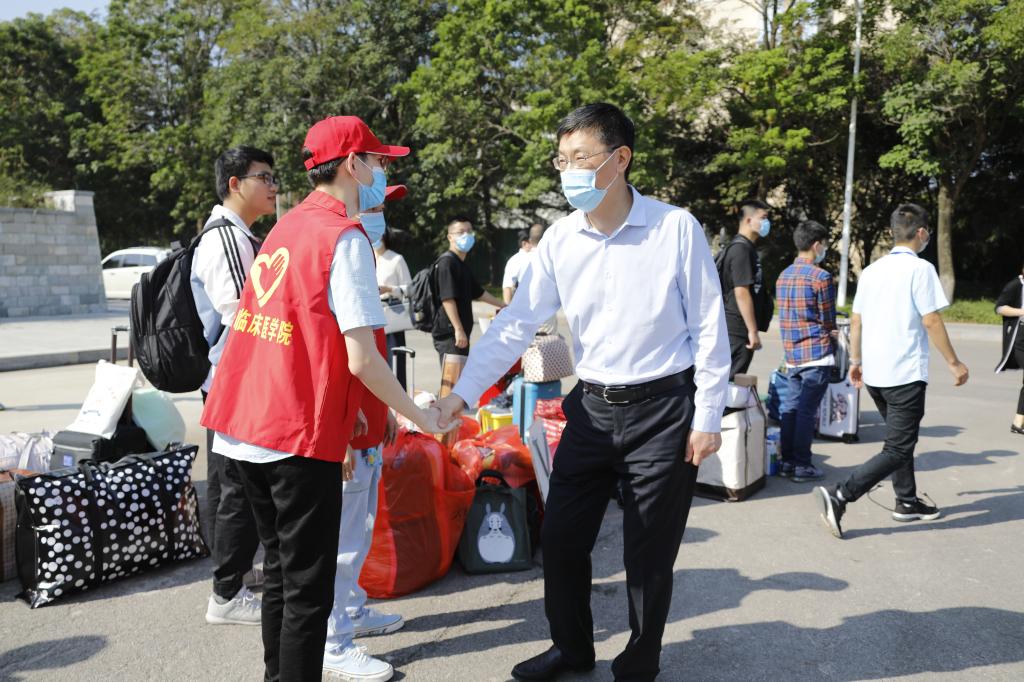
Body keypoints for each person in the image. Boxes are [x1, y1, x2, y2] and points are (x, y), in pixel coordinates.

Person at [435, 102, 731, 682]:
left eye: (581, 158)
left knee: (648, 554)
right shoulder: (561, 240)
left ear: (620, 160)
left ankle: (641, 659)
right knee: (564, 540)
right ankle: (571, 648)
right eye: (562, 159)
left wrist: (708, 414)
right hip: (592, 412)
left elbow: (709, 327)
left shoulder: (674, 227)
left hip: (664, 412)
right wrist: (462, 394)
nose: (568, 171)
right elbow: (516, 324)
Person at [201, 115, 453, 682]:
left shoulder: (286, 226)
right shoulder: (345, 238)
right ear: (351, 164)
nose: (382, 171)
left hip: (244, 426)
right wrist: (423, 417)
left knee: (283, 581)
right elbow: (362, 357)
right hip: (293, 432)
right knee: (308, 593)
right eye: (378, 160)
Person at [815, 203, 970, 539]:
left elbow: (856, 321)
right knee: (898, 447)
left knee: (901, 439)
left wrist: (855, 362)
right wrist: (954, 363)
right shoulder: (921, 269)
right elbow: (931, 319)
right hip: (905, 374)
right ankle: (841, 495)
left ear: (892, 233)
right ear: (923, 232)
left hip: (876, 374)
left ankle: (907, 501)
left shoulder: (871, 271)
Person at [322, 184, 409, 682]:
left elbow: (371, 356)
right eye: (374, 205)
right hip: (347, 436)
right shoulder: (344, 251)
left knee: (360, 527)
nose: (380, 215)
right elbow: (337, 361)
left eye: (383, 208)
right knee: (342, 541)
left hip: (368, 426)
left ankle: (352, 610)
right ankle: (334, 642)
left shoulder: (363, 262)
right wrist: (342, 434)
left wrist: (387, 412)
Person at [191, 145, 277, 626]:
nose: (272, 186)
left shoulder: (240, 235)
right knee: (236, 489)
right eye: (263, 177)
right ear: (234, 184)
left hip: (233, 381)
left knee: (237, 486)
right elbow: (243, 316)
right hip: (233, 382)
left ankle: (234, 579)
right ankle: (225, 595)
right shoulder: (226, 237)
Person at [775, 220, 836, 482]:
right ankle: (802, 465)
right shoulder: (821, 277)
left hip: (792, 355)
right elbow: (828, 318)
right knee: (806, 411)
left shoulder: (783, 275)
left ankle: (787, 461)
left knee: (790, 408)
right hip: (817, 354)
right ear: (816, 245)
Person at [432, 217, 505, 364]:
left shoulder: (461, 264)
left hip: (461, 333)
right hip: (450, 334)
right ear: (450, 237)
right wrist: (458, 330)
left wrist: (504, 305)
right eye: (460, 232)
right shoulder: (447, 263)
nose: (466, 235)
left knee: (459, 379)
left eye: (469, 231)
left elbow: (479, 293)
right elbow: (447, 299)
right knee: (452, 380)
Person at [718, 198, 773, 379]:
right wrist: (752, 330)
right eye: (763, 218)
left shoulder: (746, 248)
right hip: (737, 329)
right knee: (730, 385)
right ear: (749, 220)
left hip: (738, 328)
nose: (766, 223)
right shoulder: (741, 250)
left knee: (731, 384)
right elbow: (741, 292)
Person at [372, 203, 413, 390]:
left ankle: (400, 398)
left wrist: (389, 288)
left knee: (395, 359)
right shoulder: (367, 256)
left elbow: (409, 288)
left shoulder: (396, 259)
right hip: (373, 316)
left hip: (392, 313)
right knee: (377, 361)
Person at [994, 261, 1024, 434]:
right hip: (1020, 338)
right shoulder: (1015, 285)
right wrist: (1022, 311)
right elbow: (1000, 308)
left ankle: (1018, 422)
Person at [502, 224, 544, 304]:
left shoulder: (515, 260)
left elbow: (507, 288)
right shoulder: (547, 257)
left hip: (525, 310)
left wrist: (508, 311)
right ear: (524, 243)